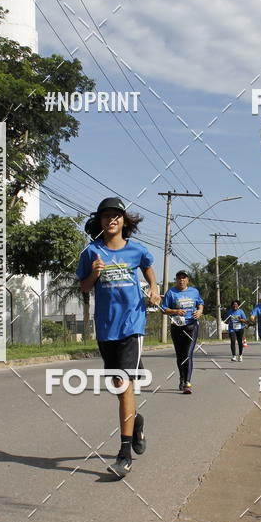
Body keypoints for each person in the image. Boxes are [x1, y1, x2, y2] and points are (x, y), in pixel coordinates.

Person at [77, 197, 161, 478]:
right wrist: (94, 274)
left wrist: (154, 287)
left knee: (124, 384)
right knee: (118, 386)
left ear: (124, 221)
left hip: (132, 326)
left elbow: (149, 267)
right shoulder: (91, 252)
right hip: (106, 328)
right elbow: (84, 288)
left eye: (116, 216)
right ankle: (135, 422)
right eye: (105, 216)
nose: (111, 220)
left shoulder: (137, 250)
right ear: (99, 221)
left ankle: (124, 454)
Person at [161, 270, 204, 393]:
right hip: (177, 327)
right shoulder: (170, 292)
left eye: (184, 278)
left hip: (191, 326)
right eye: (179, 278)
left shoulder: (194, 292)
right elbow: (164, 309)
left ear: (187, 280)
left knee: (188, 354)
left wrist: (199, 311)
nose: (181, 280)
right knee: (180, 355)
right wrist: (175, 311)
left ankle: (187, 383)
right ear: (176, 280)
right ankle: (182, 377)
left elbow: (200, 304)